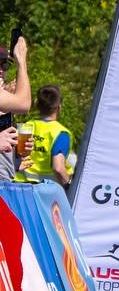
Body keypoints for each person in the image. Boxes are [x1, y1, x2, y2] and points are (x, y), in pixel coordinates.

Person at [17, 85, 74, 187]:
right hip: (44, 190)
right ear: (59, 107)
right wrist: (69, 185)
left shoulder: (25, 127)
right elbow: (58, 168)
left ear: (36, 104)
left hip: (18, 186)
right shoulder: (60, 133)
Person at [0, 36, 32, 181]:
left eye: (4, 64)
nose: (1, 70)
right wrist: (21, 61)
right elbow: (24, 104)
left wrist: (16, 158)